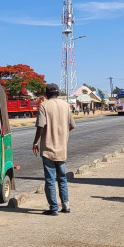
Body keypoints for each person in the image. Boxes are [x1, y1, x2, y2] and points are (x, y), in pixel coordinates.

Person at [32, 83, 76, 215]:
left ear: (47, 94)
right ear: (58, 93)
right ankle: (66, 206)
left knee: (50, 180)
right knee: (62, 178)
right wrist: (63, 133)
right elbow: (72, 125)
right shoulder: (65, 105)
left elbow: (41, 126)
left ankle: (53, 208)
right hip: (62, 149)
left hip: (48, 149)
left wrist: (35, 142)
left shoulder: (44, 105)